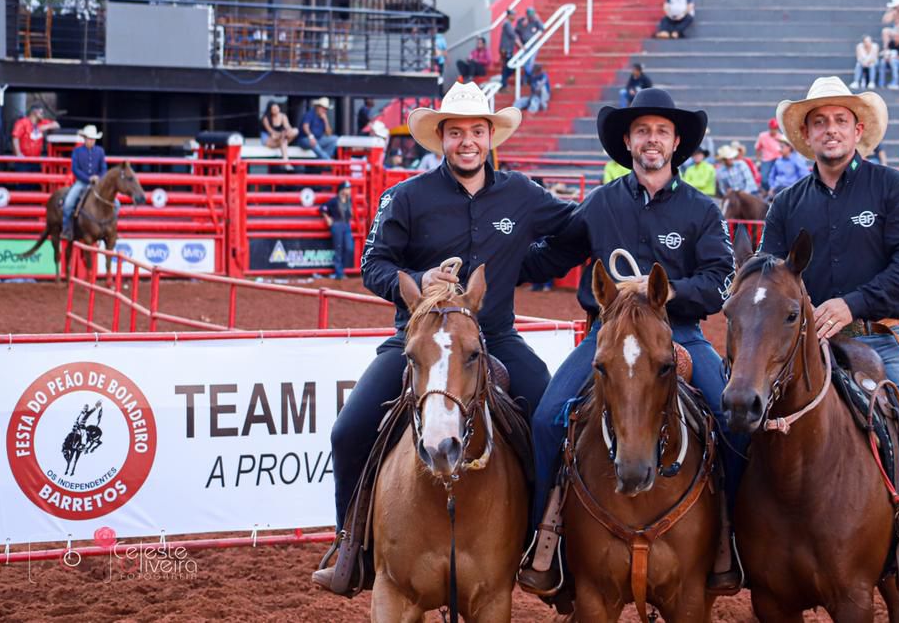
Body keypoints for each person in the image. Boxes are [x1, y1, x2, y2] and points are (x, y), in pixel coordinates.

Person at [312, 81, 577, 595]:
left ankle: (548, 546)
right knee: (349, 431)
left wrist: (526, 263)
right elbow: (373, 265)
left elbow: (574, 230)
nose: (468, 141)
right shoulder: (406, 198)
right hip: (418, 340)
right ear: (441, 139)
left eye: (477, 131)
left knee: (552, 423)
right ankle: (351, 547)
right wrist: (416, 281)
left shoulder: (523, 195)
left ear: (490, 136)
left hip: (495, 337)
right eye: (456, 132)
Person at [518, 87, 741, 594]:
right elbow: (553, 255)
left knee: (733, 423)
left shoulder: (702, 210)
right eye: (643, 131)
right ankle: (543, 539)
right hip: (609, 336)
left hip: (679, 334)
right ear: (628, 141)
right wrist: (498, 251)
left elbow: (721, 280)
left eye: (661, 130)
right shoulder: (599, 204)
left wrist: (667, 290)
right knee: (548, 417)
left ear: (676, 141)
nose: (652, 139)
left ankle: (733, 537)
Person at [760, 75, 899, 597]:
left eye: (839, 121)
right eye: (819, 122)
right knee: (743, 417)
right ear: (806, 135)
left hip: (887, 338)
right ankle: (739, 539)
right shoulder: (785, 204)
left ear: (858, 130)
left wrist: (850, 303)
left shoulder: (896, 188)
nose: (830, 130)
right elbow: (769, 274)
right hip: (810, 347)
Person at [61, 125, 107, 240]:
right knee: (68, 203)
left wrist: (98, 177)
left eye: (93, 139)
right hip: (81, 182)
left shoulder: (100, 151)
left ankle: (110, 229)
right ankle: (66, 229)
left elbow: (104, 168)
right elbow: (75, 169)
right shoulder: (77, 151)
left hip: (97, 184)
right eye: (89, 138)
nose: (91, 141)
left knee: (115, 204)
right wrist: (88, 178)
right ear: (85, 139)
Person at [11, 103, 60, 186]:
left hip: (36, 160)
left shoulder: (42, 123)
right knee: (23, 185)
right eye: (41, 113)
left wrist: (46, 127)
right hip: (23, 160)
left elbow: (57, 125)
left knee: (34, 184)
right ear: (35, 112)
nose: (43, 115)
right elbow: (15, 137)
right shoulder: (22, 122)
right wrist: (18, 154)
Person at [320, 181, 355, 279]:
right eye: (347, 188)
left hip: (346, 225)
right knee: (338, 249)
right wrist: (327, 218)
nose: (349, 190)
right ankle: (339, 273)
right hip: (337, 225)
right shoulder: (334, 201)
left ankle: (340, 270)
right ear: (342, 190)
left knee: (349, 248)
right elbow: (323, 208)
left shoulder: (349, 200)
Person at [260, 101, 299, 166]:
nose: (276, 110)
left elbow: (288, 127)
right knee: (281, 139)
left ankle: (286, 162)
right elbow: (271, 132)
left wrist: (287, 132)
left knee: (295, 131)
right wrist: (281, 134)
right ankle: (286, 163)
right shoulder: (266, 118)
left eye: (277, 108)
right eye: (274, 109)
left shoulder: (283, 116)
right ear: (270, 110)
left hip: (281, 138)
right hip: (269, 139)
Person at [755, 117, 784, 183]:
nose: (773, 130)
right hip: (767, 160)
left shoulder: (781, 137)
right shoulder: (762, 136)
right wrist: (758, 161)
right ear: (769, 128)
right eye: (772, 128)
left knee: (779, 178)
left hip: (778, 160)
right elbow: (758, 149)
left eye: (775, 129)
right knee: (764, 179)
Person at [497, 9, 520, 89]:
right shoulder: (507, 24)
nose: (514, 17)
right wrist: (521, 46)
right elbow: (513, 36)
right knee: (509, 66)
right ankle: (503, 83)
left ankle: (504, 82)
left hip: (506, 49)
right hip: (506, 50)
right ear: (509, 16)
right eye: (513, 15)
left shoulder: (507, 24)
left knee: (507, 66)